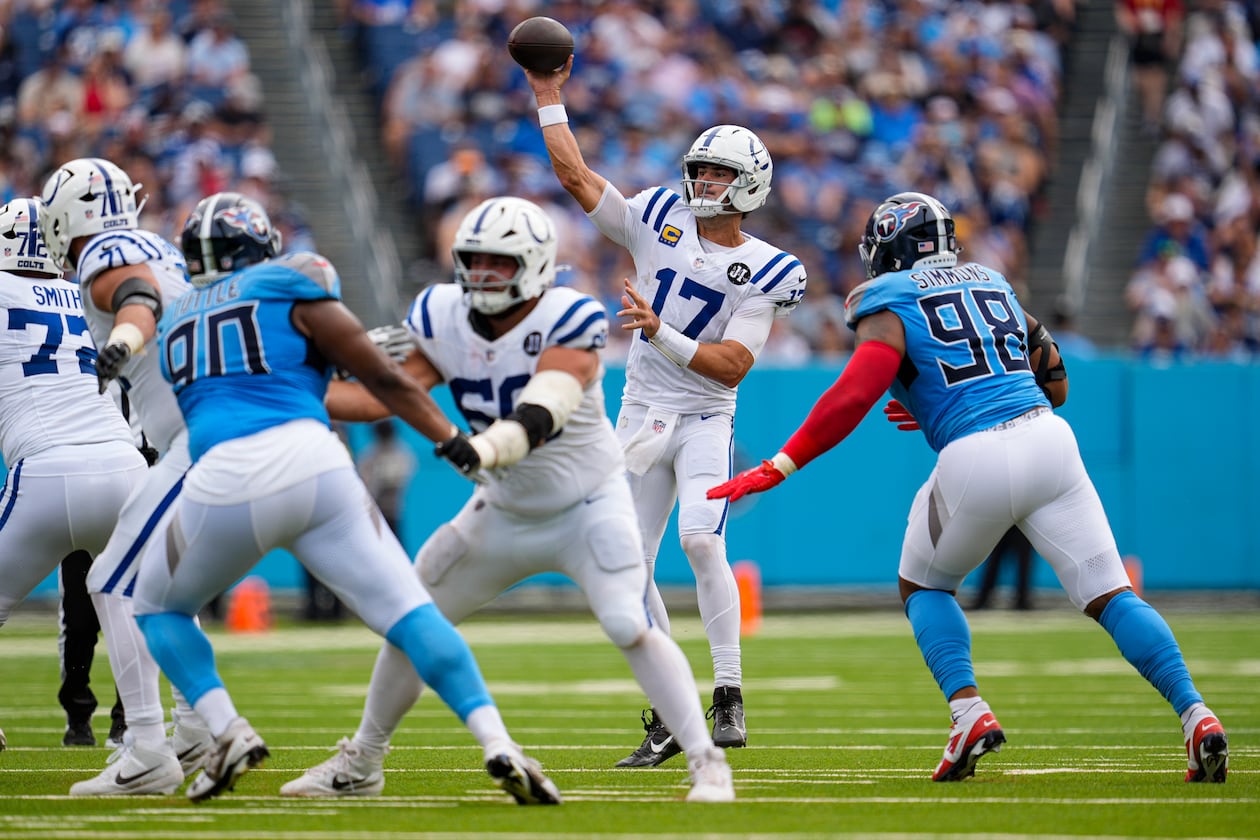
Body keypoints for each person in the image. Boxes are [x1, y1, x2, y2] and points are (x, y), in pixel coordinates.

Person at [708, 191, 1229, 784]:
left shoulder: (887, 298)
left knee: (922, 584)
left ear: (891, 251)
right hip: (1050, 440)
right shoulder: (993, 283)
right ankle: (1197, 716)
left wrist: (780, 464)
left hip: (977, 454)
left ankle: (968, 712)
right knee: (1113, 595)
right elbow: (1054, 380)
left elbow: (855, 393)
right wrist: (936, 396)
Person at [282, 196, 734, 803]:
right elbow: (380, 396)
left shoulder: (570, 315)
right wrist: (285, 386)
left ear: (536, 264)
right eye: (473, 261)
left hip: (585, 507)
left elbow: (544, 407)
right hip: (502, 510)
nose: (482, 275)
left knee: (629, 621)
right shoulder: (440, 312)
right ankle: (361, 761)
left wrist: (483, 449)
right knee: (412, 623)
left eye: (498, 263)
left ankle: (707, 763)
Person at [132, 191, 561, 806]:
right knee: (412, 614)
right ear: (261, 247)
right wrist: (451, 439)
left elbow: (242, 380)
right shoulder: (289, 280)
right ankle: (496, 740)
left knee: (157, 608)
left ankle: (227, 729)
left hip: (221, 475)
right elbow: (380, 380)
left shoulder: (173, 320)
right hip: (314, 461)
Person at [522, 59, 807, 767]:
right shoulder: (657, 216)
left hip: (707, 415)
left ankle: (730, 696)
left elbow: (731, 365)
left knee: (703, 543)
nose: (702, 183)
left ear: (748, 186)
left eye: (716, 175)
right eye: (700, 171)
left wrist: (659, 330)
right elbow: (577, 179)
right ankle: (672, 712)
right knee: (625, 563)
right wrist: (547, 95)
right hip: (644, 410)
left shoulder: (769, 268)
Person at [38, 157, 213, 795]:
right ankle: (196, 726)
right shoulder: (158, 245)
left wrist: (123, 346)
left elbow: (137, 301)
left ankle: (147, 746)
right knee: (169, 586)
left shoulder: (104, 252)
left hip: (190, 441)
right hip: (207, 429)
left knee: (111, 579)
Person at [0, 196, 148, 753]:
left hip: (46, 468)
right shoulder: (88, 296)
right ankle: (158, 732)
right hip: (124, 463)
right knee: (141, 606)